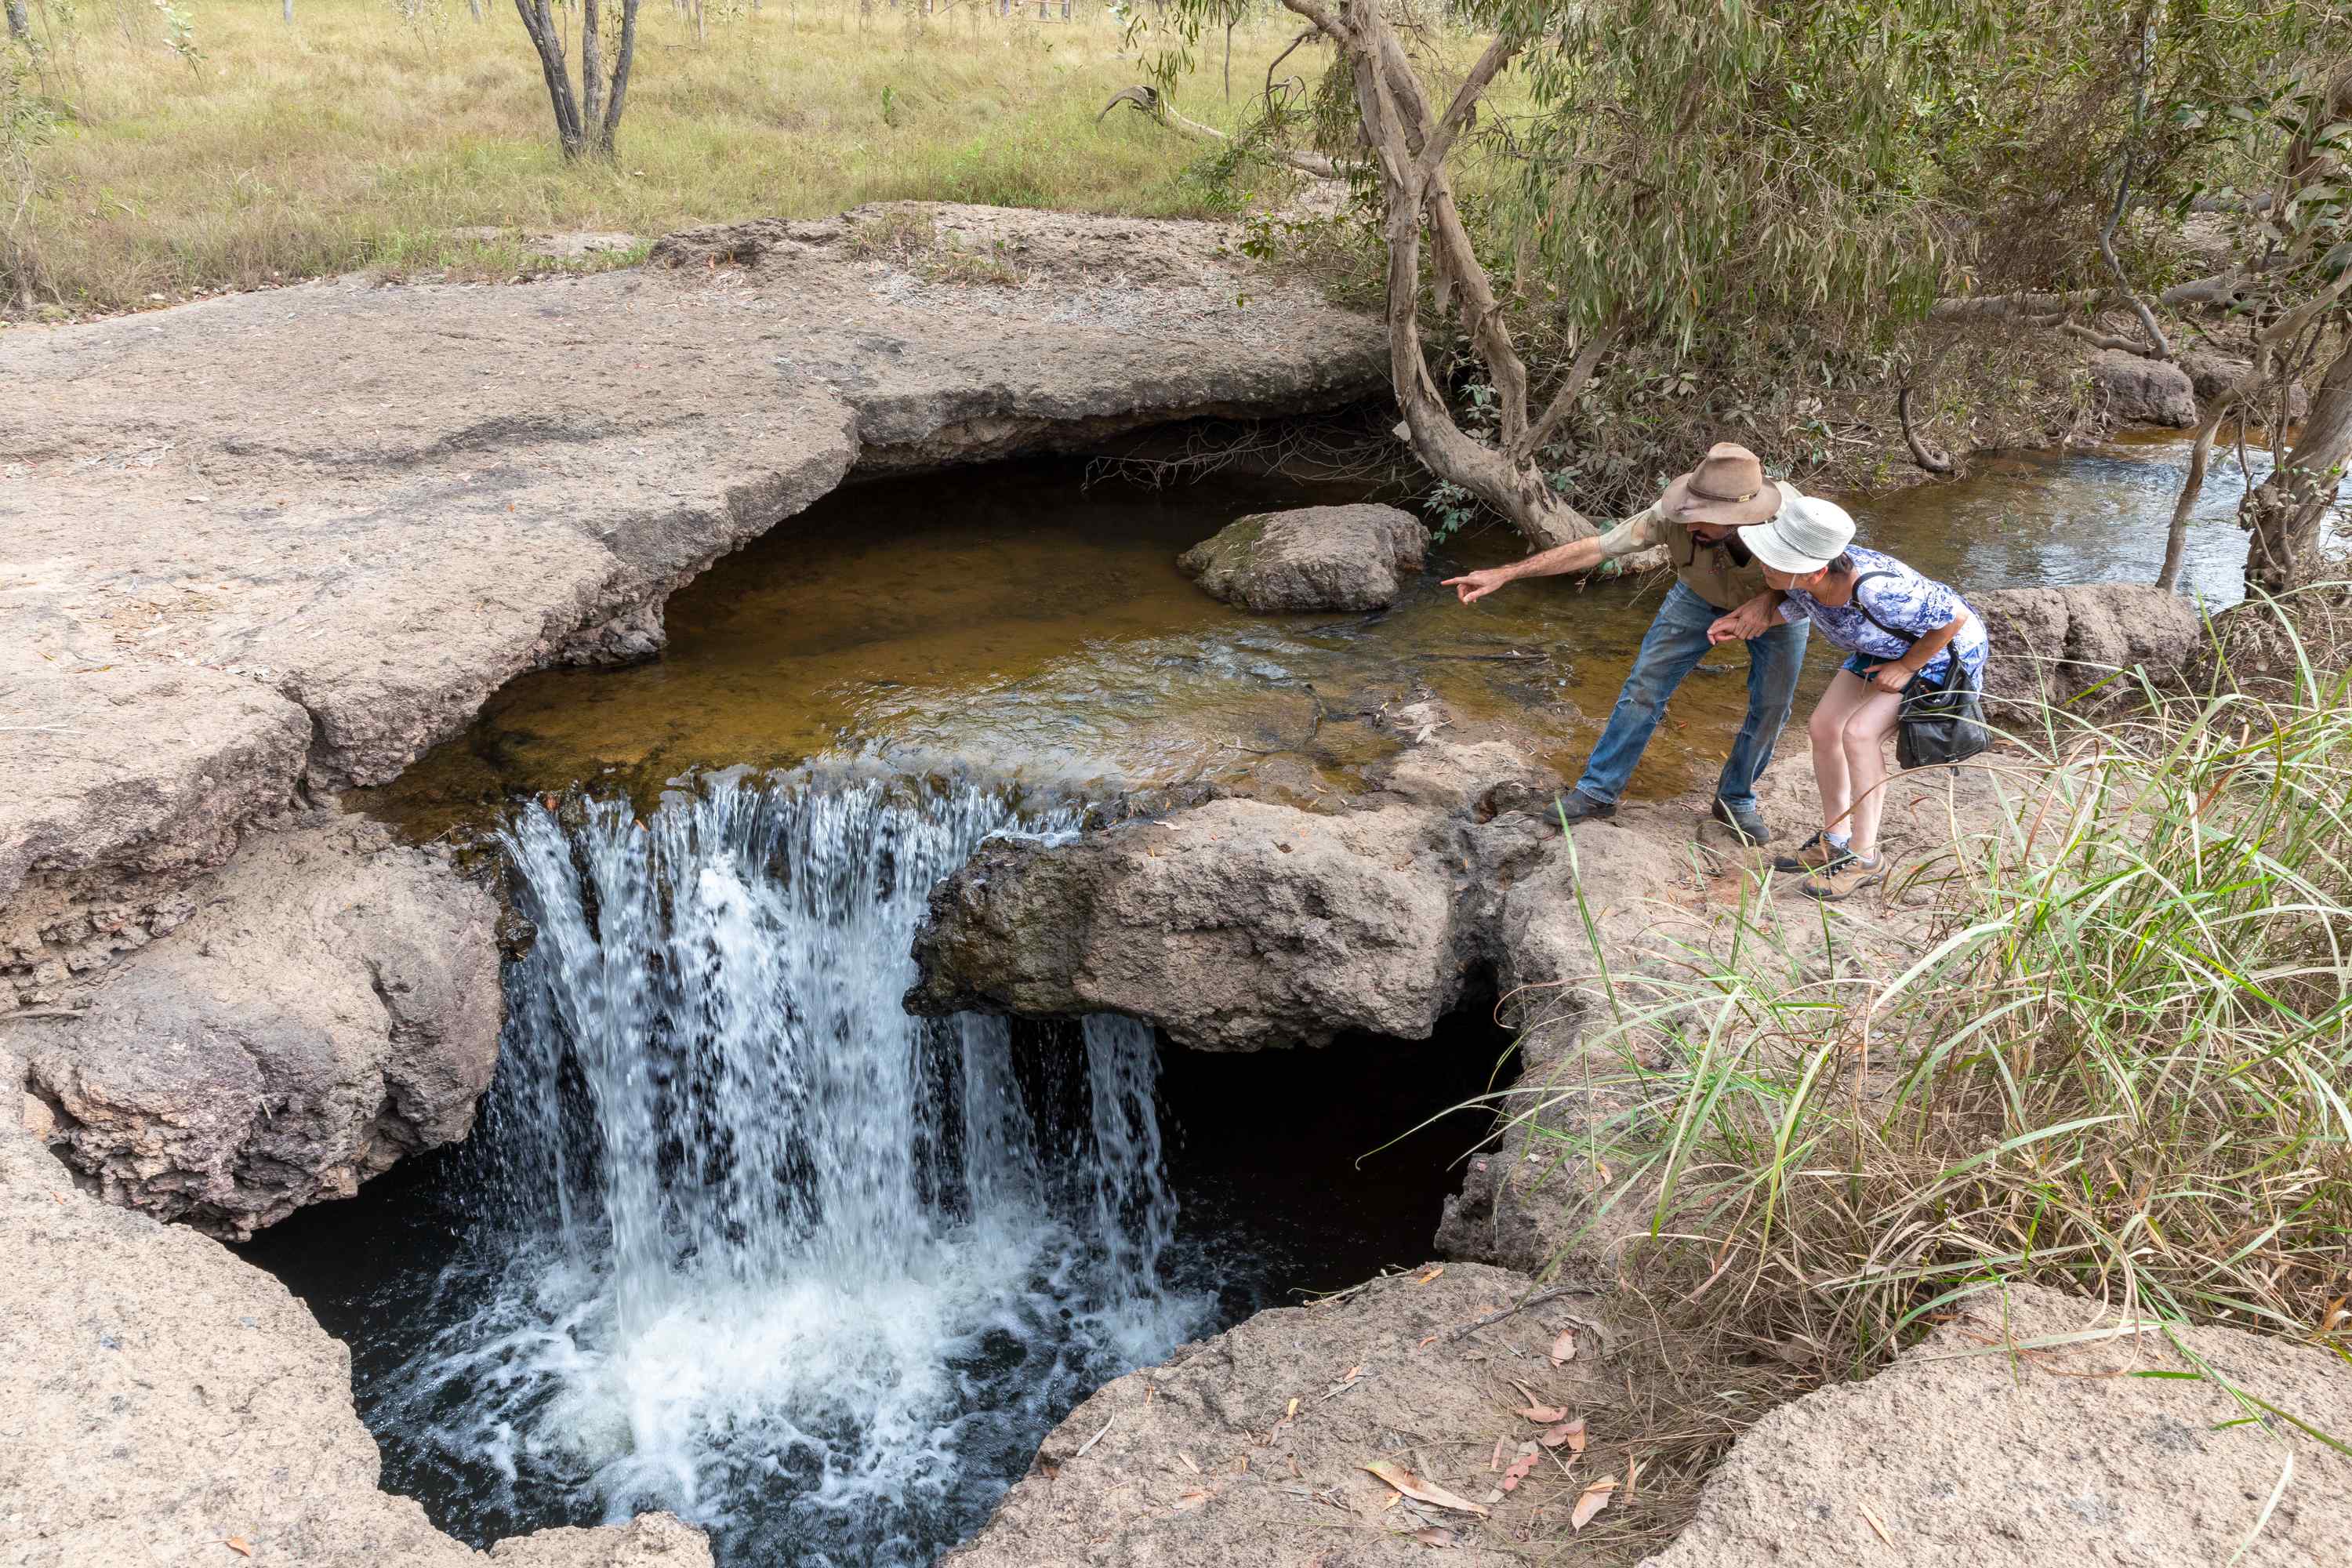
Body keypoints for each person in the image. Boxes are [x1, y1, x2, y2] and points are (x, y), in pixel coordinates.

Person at [1444, 441, 1807, 844]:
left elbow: (1827, 580)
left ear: (1739, 517)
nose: (1690, 525)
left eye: (1705, 519)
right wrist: (1507, 574)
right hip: (1697, 597)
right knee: (1643, 690)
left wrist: (1770, 603)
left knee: (1772, 705)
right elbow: (1598, 548)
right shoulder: (1674, 514)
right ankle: (1599, 791)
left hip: (1780, 607)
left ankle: (1736, 799)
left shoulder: (1794, 521)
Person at [1714, 495, 1988, 900]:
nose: (1763, 566)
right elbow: (1804, 608)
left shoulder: (1878, 590)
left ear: (1815, 571)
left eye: (1773, 561)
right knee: (1824, 727)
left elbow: (1954, 619)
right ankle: (1836, 838)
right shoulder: (1809, 578)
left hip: (1939, 654)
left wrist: (1908, 666)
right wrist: (1743, 623)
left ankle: (1866, 856)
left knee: (1860, 734)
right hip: (1883, 646)